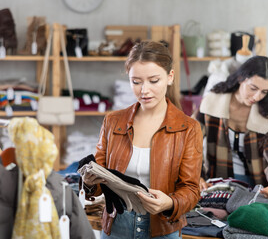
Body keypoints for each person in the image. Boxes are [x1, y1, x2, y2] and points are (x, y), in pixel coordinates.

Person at [81, 41, 203, 238]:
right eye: (136, 82)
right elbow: (96, 182)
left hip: (163, 227)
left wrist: (169, 203)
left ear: (170, 77)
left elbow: (191, 189)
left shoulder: (188, 128)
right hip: (116, 226)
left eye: (153, 81)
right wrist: (88, 182)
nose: (144, 90)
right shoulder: (113, 122)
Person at [197, 56, 268, 200]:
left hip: (257, 188)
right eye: (253, 88)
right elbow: (189, 142)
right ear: (241, 78)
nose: (257, 96)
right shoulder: (212, 103)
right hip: (218, 186)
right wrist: (197, 176)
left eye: (264, 92)